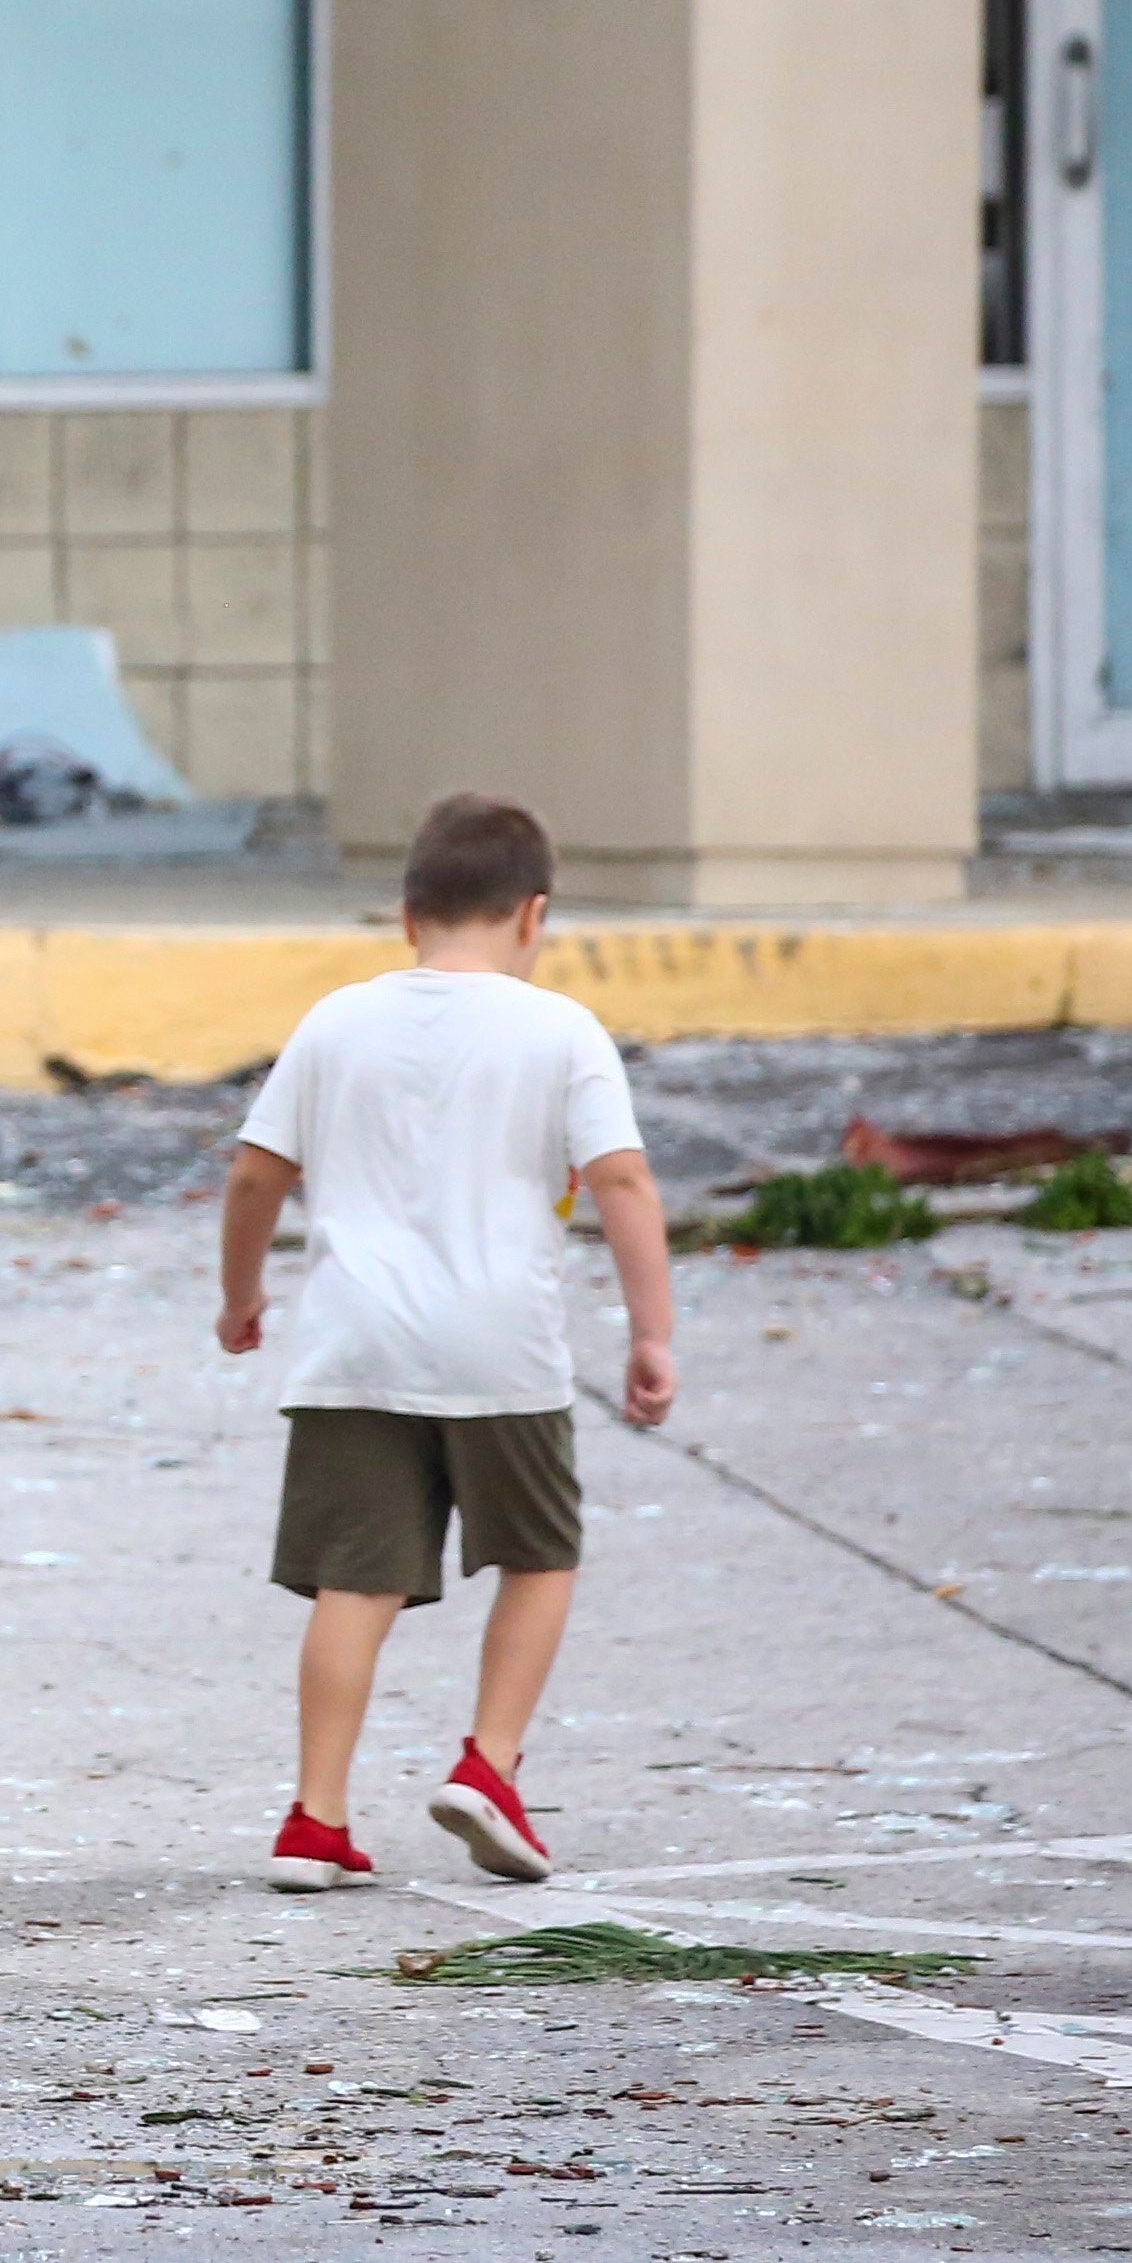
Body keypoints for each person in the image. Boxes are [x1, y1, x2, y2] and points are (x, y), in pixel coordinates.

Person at [217, 791, 676, 1892]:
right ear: (535, 913)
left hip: (355, 1342)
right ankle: (489, 1764)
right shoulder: (560, 1029)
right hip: (501, 1345)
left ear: (407, 913)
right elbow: (620, 1180)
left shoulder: (336, 1021)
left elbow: (254, 1176)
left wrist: (241, 1296)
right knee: (539, 1555)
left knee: (355, 1581)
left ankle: (316, 1817)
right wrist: (652, 1333)